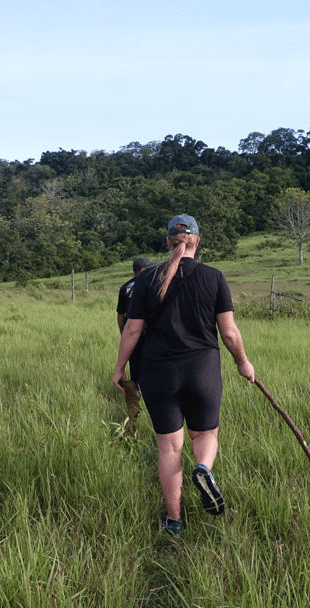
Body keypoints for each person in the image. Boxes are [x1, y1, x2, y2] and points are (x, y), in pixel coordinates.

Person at [112, 214, 255, 536]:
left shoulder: (147, 279)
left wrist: (120, 369)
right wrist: (242, 363)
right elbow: (229, 332)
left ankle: (174, 520)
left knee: (170, 448)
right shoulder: (214, 277)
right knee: (204, 435)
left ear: (168, 242)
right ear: (197, 241)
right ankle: (203, 468)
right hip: (202, 371)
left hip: (158, 374)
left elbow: (132, 330)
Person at [116, 256, 155, 428]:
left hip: (132, 338)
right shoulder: (152, 284)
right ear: (141, 271)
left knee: (136, 372)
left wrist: (124, 337)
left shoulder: (125, 288)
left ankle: (134, 407)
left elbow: (120, 316)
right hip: (151, 336)